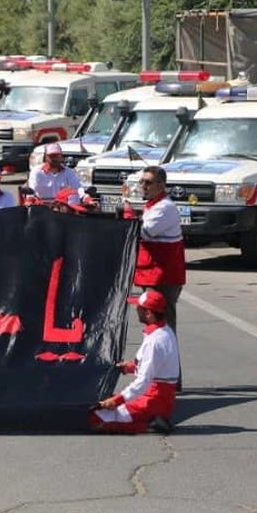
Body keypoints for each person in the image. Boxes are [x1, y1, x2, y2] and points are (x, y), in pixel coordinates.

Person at [88, 289, 178, 435]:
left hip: (151, 400)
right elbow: (156, 367)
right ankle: (151, 420)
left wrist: (116, 400)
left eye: (139, 308)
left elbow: (143, 381)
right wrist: (130, 367)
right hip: (159, 397)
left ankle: (149, 425)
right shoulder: (165, 331)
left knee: (95, 418)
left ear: (148, 313)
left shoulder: (155, 341)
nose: (136, 310)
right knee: (100, 403)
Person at [123, 166, 186, 338]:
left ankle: (168, 363)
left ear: (161, 185)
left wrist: (129, 216)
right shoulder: (152, 206)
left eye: (148, 182)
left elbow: (145, 232)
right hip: (152, 273)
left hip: (162, 277)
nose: (143, 185)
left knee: (163, 328)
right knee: (151, 324)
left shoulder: (165, 207)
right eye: (142, 181)